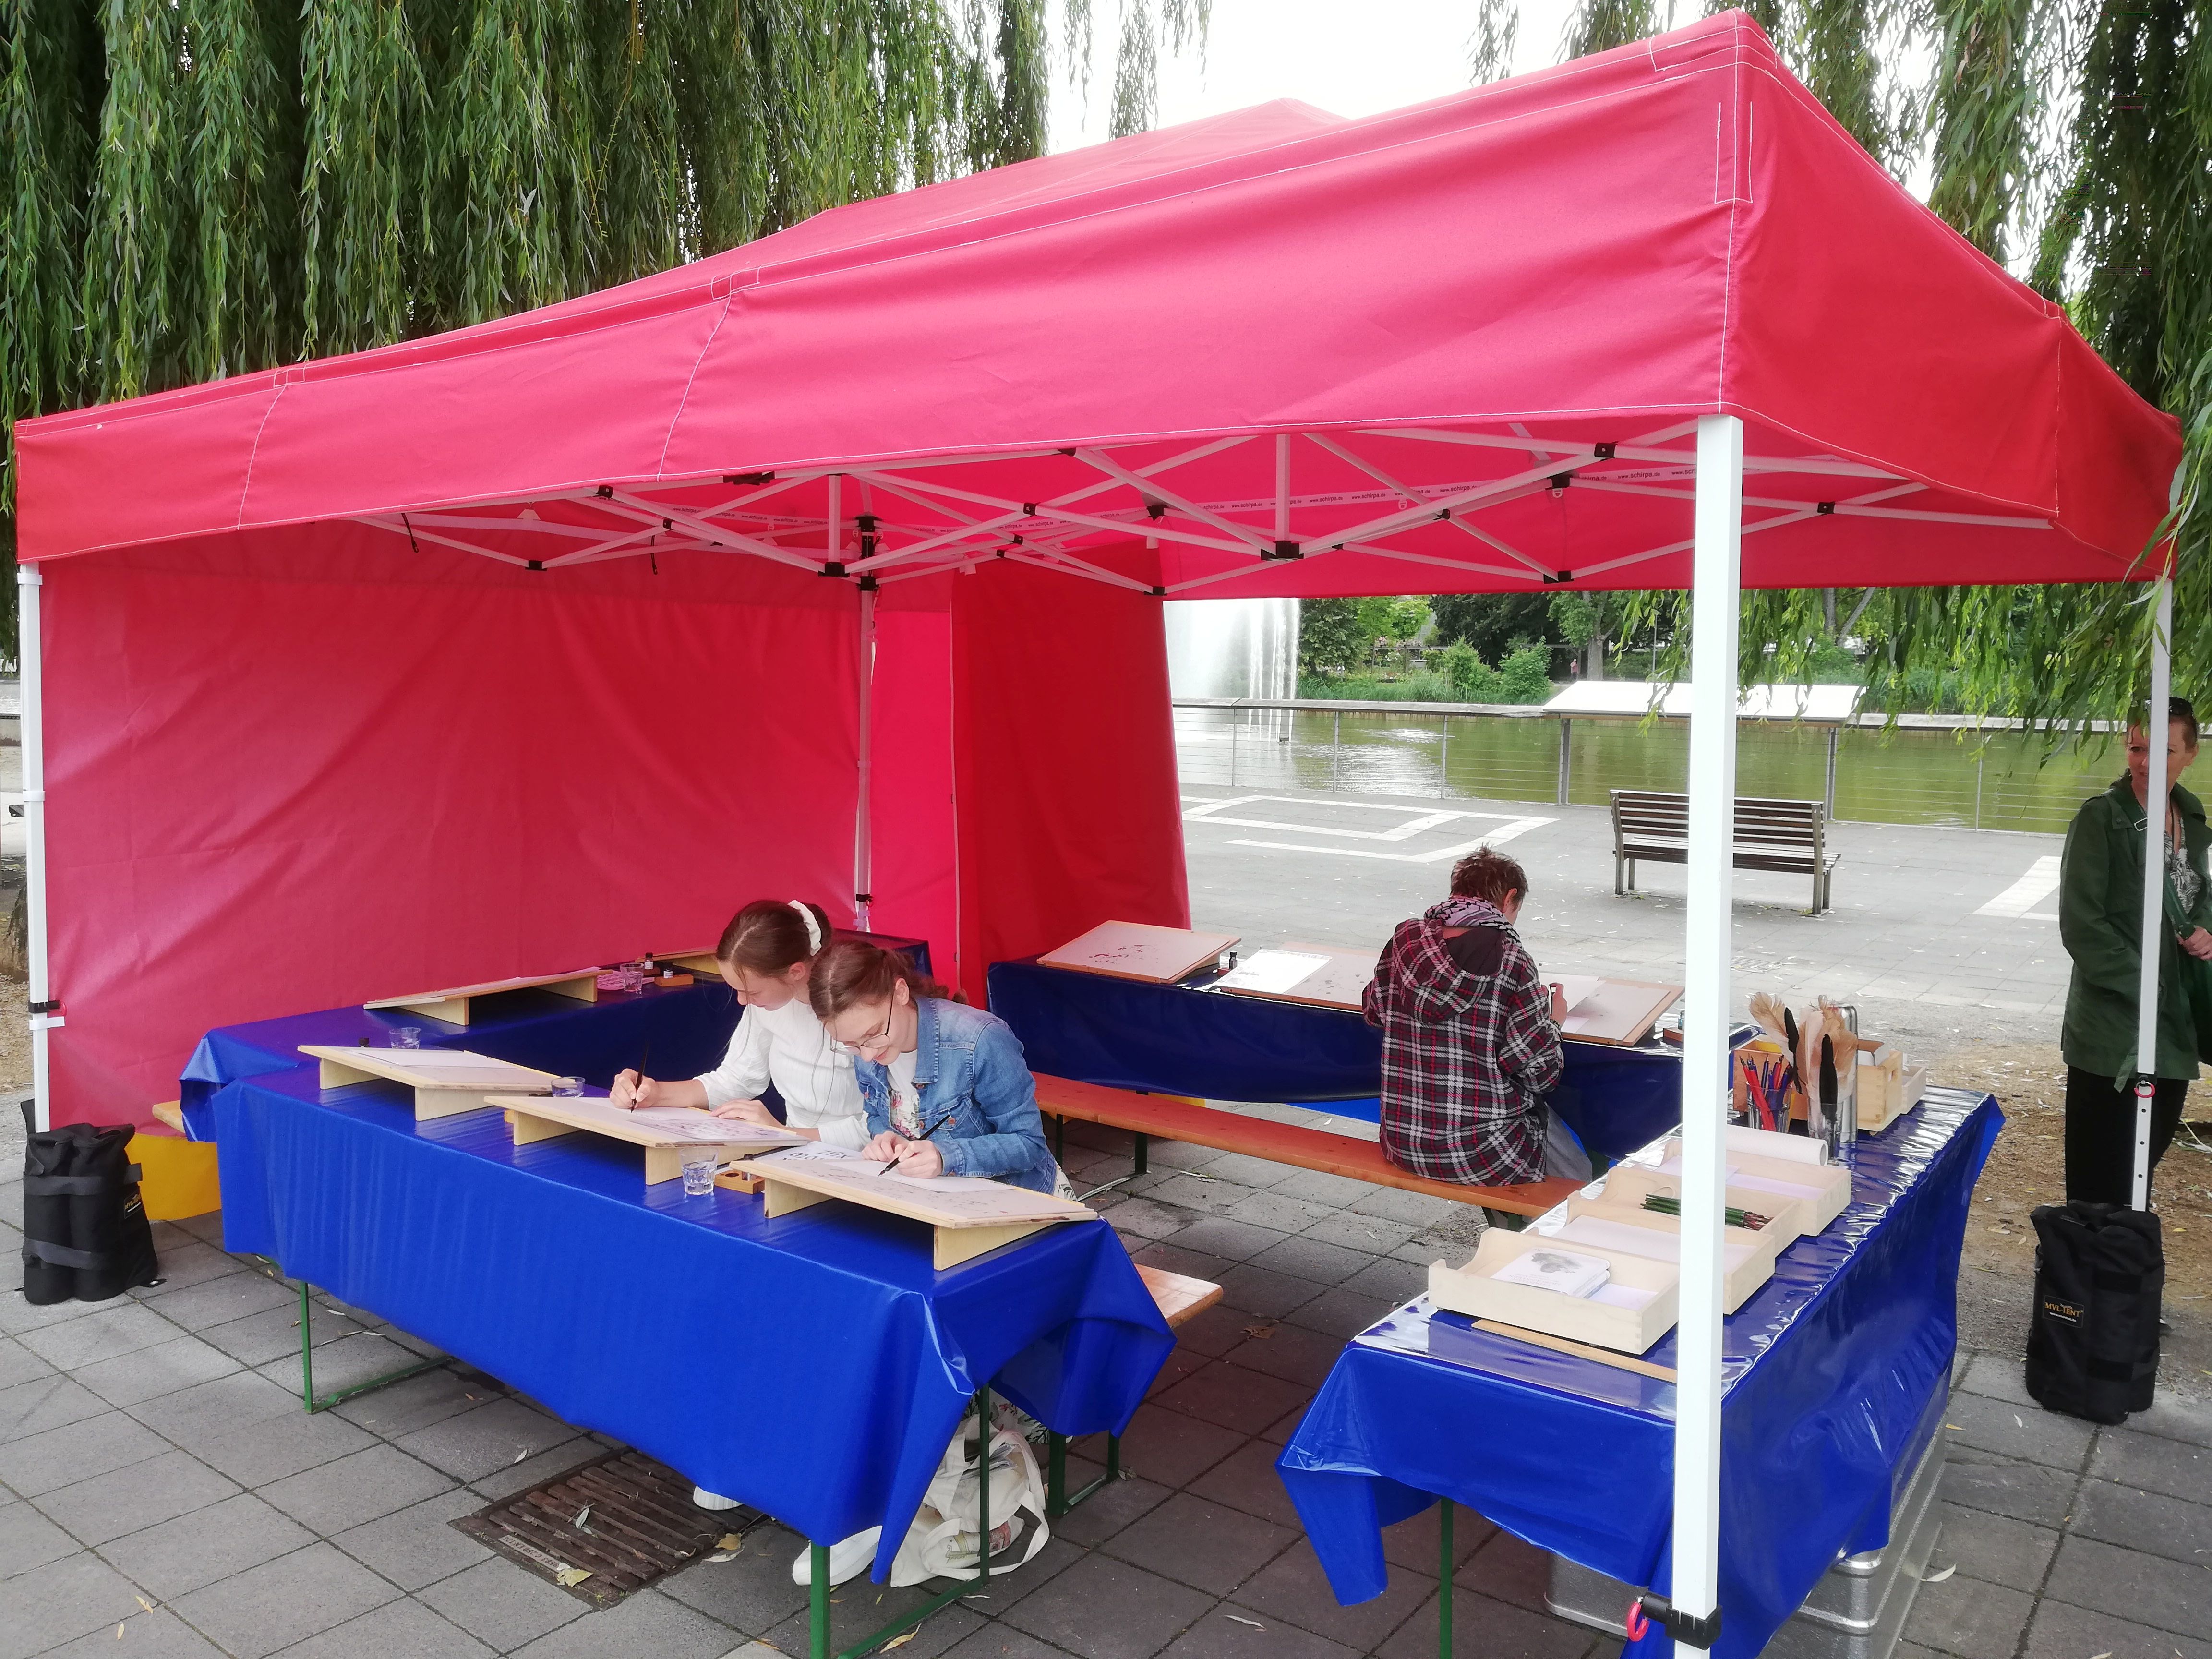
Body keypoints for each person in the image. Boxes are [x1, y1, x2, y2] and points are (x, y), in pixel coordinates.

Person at [2058, 696, 2212, 1206]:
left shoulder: (2191, 819)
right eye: (2136, 747)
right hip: (2111, 1037)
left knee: (2138, 1177)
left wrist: (2206, 930)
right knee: (2097, 1181)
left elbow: (2199, 896)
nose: (2146, 762)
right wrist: (2148, 985)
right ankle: (2078, 1282)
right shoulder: (2100, 819)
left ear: (2191, 752)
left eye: (2164, 750)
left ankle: (2117, 1273)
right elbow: (2083, 926)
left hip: (2173, 1029)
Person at [1363, 848, 1588, 1187]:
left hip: (1403, 1142)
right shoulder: (1512, 959)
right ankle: (1570, 1228)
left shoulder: (1405, 941)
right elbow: (1538, 1073)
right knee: (1578, 1172)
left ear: (1456, 891)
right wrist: (1551, 1021)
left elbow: (1374, 1010)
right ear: (1510, 897)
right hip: (1485, 1154)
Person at [806, 939, 1061, 1193]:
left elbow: (1028, 1143)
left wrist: (946, 1157)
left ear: (900, 993)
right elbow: (875, 1114)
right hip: (929, 1199)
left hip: (1013, 1199)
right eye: (851, 1044)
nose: (866, 1055)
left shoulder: (981, 1040)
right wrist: (885, 1137)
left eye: (874, 1034)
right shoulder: (867, 1043)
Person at [610, 899, 866, 1148]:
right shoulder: (770, 1004)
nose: (743, 1002)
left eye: (753, 992)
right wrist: (655, 1093)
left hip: (861, 1160)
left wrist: (785, 1133)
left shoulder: (861, 1010)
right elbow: (738, 1078)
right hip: (797, 1153)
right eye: (738, 991)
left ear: (795, 972)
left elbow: (882, 1126)